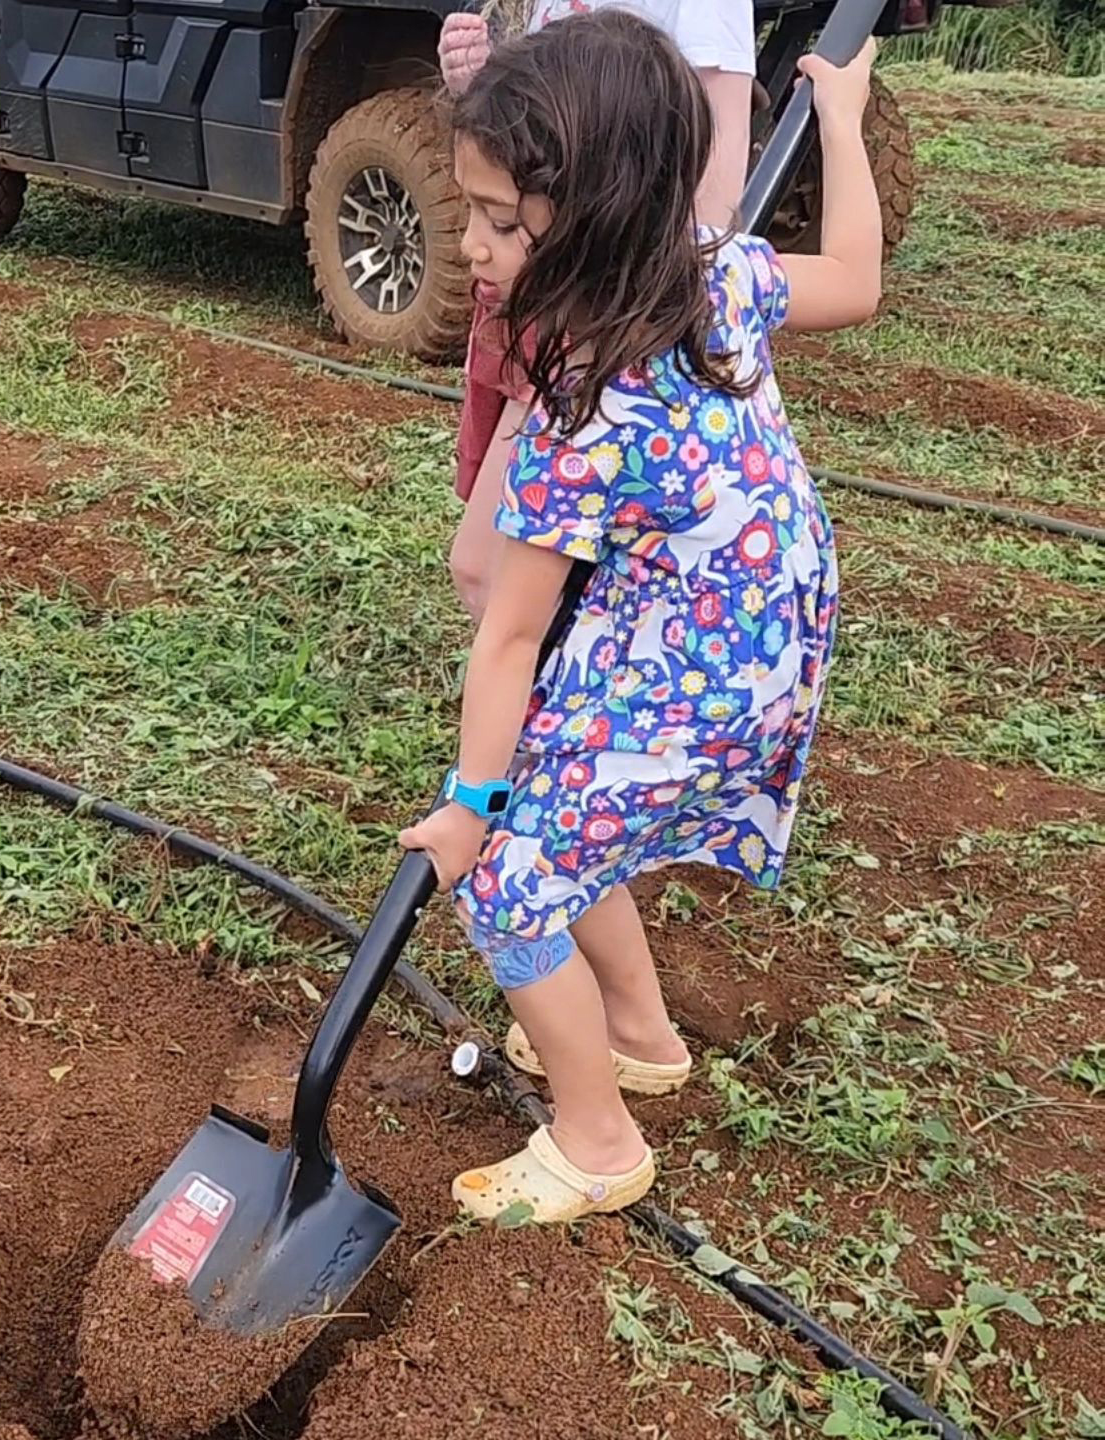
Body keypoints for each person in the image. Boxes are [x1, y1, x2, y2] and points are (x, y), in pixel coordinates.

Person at [401, 11, 881, 1222]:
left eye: (505, 222)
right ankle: (641, 1038)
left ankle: (597, 1139)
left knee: (509, 883)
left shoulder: (580, 414)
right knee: (552, 792)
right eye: (472, 208)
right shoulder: (715, 271)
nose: (476, 243)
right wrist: (842, 123)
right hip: (753, 631)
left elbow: (509, 634)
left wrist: (468, 808)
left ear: (603, 208)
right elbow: (859, 283)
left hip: (697, 666)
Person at [440, 0, 757, 624]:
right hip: (546, 293)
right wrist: (481, 88)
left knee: (498, 572)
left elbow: (714, 186)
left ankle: (542, 703)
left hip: (603, 318)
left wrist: (635, 321)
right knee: (490, 568)